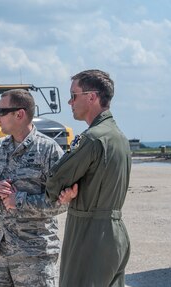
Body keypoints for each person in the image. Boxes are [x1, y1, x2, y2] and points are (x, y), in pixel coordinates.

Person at [0, 89, 67, 287]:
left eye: (1, 112)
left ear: (19, 114)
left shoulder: (48, 151)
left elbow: (62, 202)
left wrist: (20, 201)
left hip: (33, 255)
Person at [45, 69, 131, 287]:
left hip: (89, 234)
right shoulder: (119, 137)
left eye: (74, 95)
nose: (69, 101)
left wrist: (69, 190)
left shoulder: (92, 139)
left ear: (91, 97)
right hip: (115, 232)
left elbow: (54, 182)